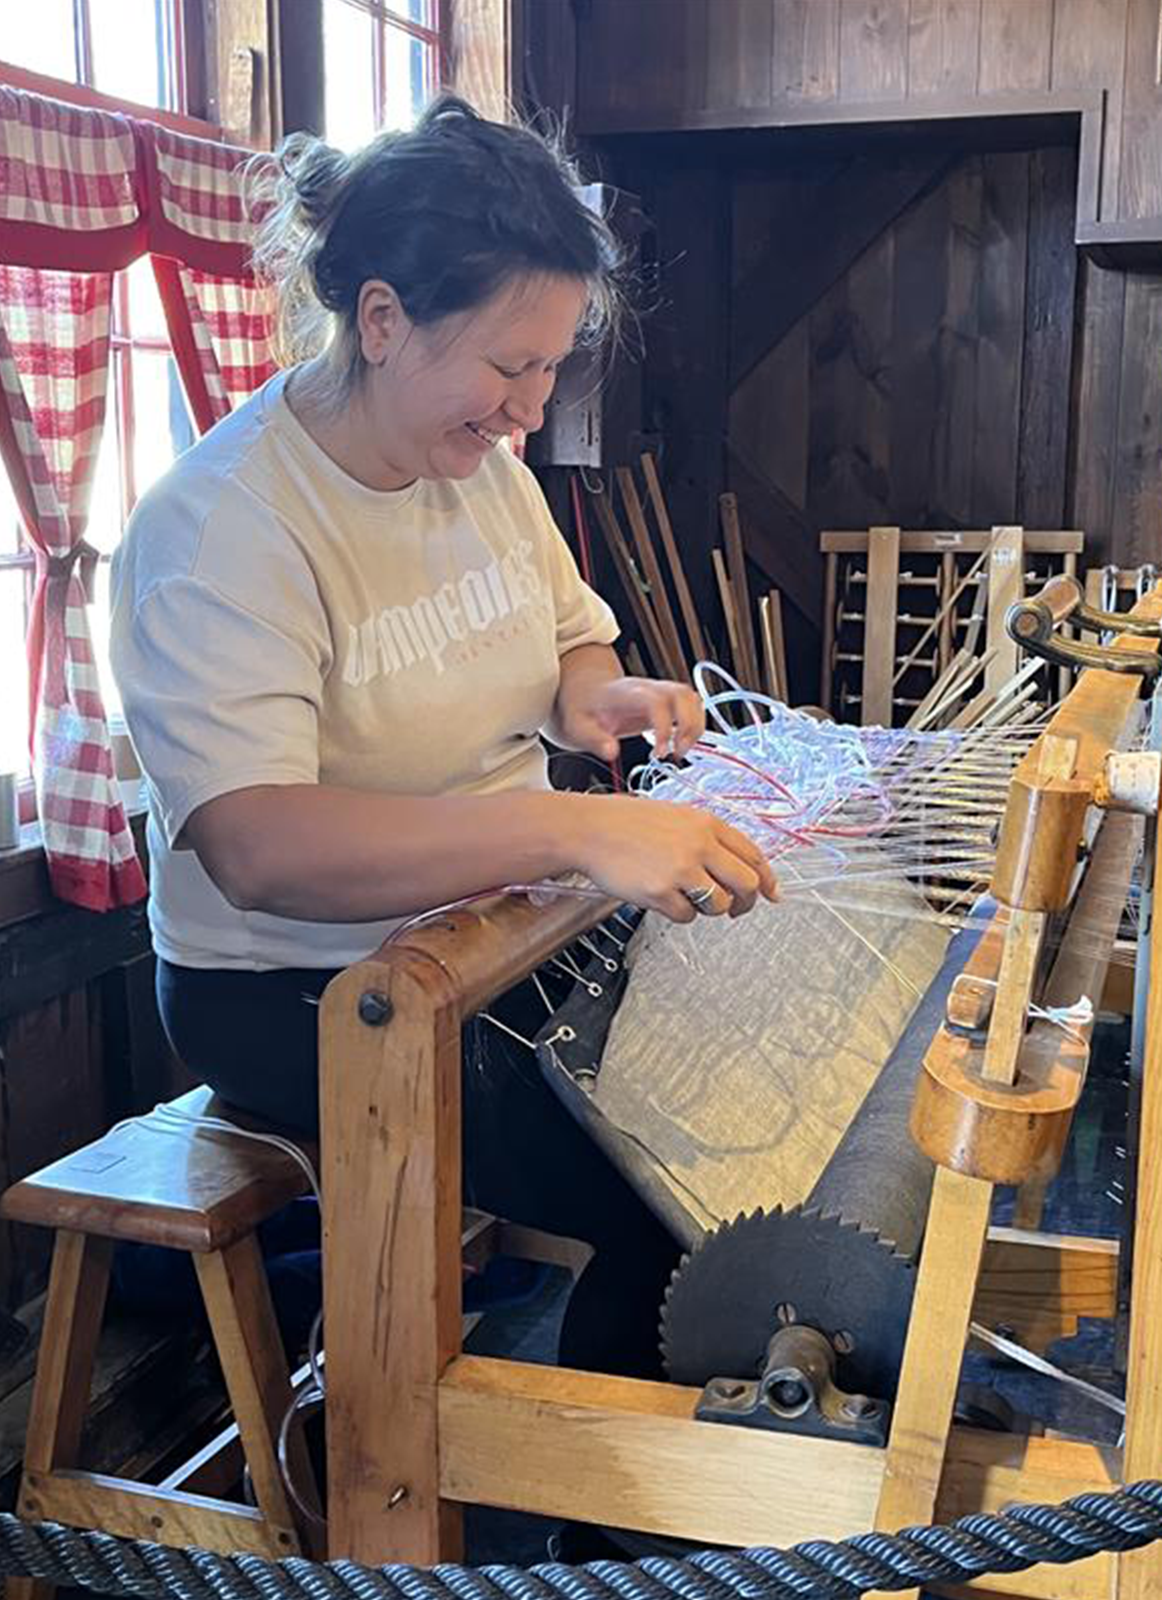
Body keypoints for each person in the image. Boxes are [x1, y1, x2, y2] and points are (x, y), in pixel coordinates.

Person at [109, 94, 778, 1377]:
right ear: (379, 320)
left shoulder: (484, 474)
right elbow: (259, 846)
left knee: (731, 1113)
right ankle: (601, 1558)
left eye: (551, 368)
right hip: (293, 989)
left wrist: (595, 698)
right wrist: (578, 825)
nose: (530, 411)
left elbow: (568, 642)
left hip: (504, 933)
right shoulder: (222, 530)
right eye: (508, 366)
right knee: (671, 1200)